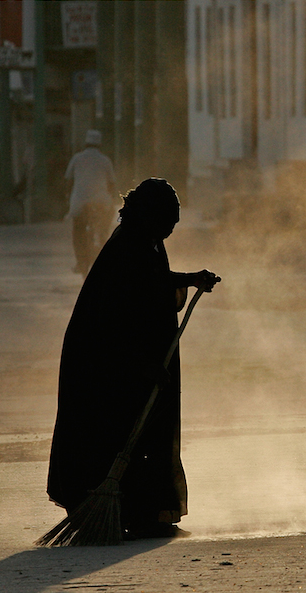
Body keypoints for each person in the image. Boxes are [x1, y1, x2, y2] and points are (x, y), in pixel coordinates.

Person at [47, 177, 220, 539]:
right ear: (149, 215)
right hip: (105, 362)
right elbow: (116, 318)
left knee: (142, 429)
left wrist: (190, 278)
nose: (172, 227)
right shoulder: (126, 247)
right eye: (167, 219)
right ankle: (125, 508)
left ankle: (143, 509)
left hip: (129, 357)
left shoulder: (146, 242)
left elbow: (153, 281)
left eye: (174, 220)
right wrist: (143, 364)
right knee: (109, 429)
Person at [64, 129, 118, 276]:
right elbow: (112, 183)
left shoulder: (77, 158)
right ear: (99, 145)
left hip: (79, 201)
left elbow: (68, 179)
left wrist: (68, 195)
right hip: (100, 201)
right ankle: (102, 235)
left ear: (85, 143)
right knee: (108, 217)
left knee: (78, 232)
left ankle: (80, 262)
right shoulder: (105, 160)